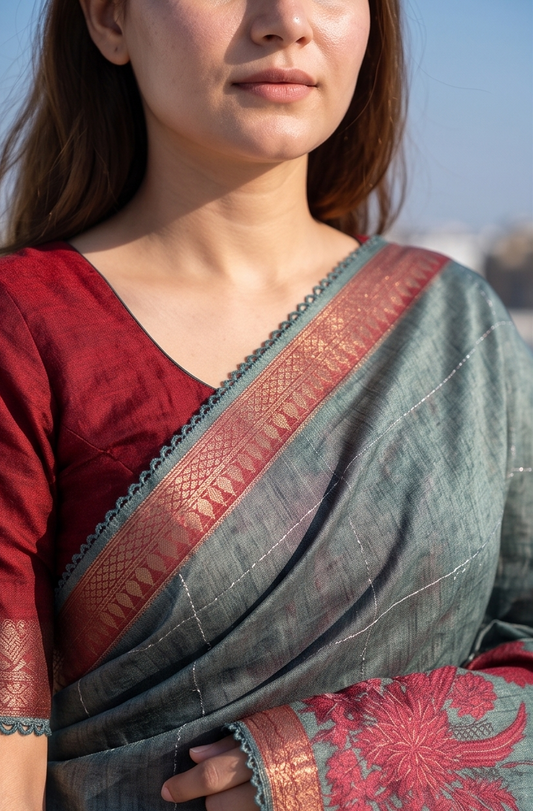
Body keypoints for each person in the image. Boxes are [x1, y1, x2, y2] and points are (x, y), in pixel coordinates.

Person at [0, 0, 532, 808]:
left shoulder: (459, 329)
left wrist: (337, 761)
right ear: (109, 21)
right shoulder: (27, 326)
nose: (285, 20)